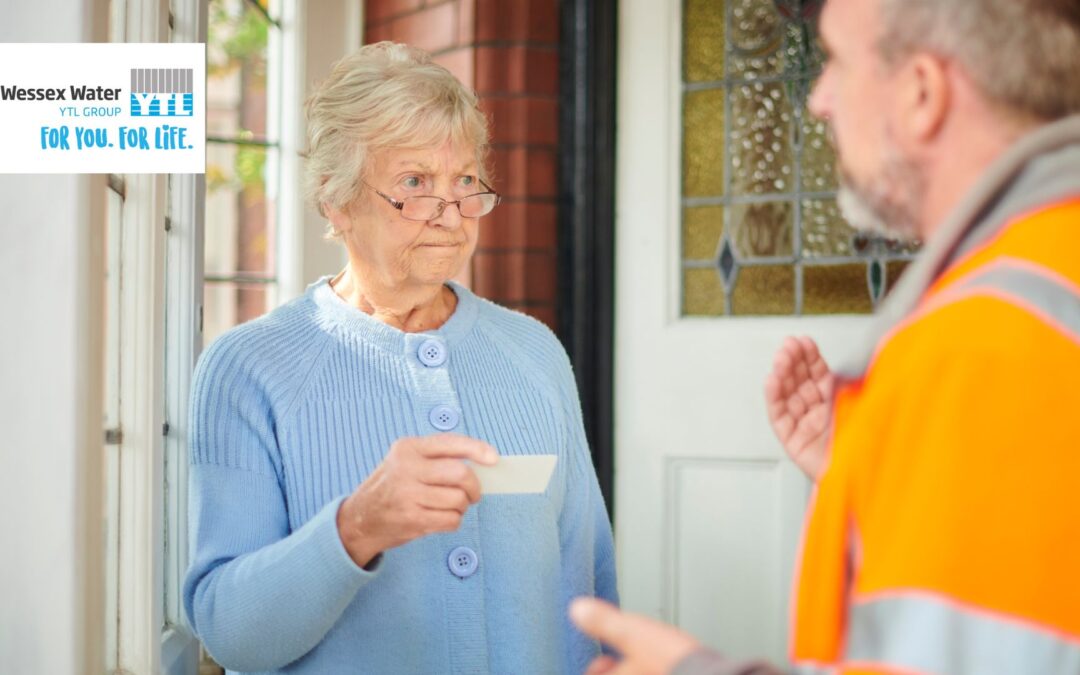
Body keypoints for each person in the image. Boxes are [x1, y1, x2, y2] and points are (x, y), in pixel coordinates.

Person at [570, 0, 1080, 672]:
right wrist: (871, 466)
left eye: (836, 59)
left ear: (922, 93)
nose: (816, 100)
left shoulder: (981, 345)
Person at [184, 42, 617, 674]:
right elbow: (231, 634)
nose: (450, 215)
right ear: (336, 199)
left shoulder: (534, 352)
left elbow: (590, 582)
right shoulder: (247, 369)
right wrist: (356, 528)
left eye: (464, 182)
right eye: (415, 183)